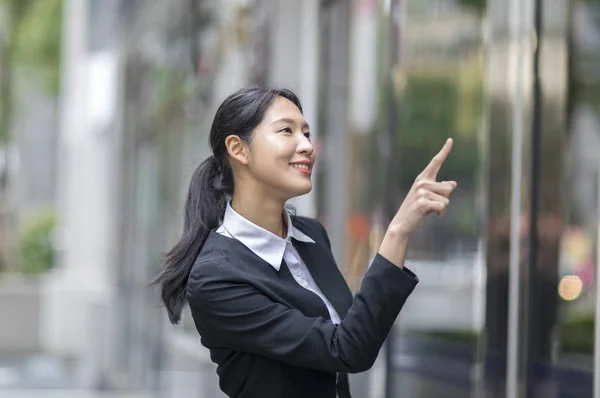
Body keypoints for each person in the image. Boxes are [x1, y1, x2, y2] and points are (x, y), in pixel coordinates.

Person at [153, 86, 457, 398]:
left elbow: (355, 330)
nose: (307, 146)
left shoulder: (311, 236)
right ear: (238, 149)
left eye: (307, 133)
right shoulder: (216, 276)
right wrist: (397, 233)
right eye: (287, 131)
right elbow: (346, 348)